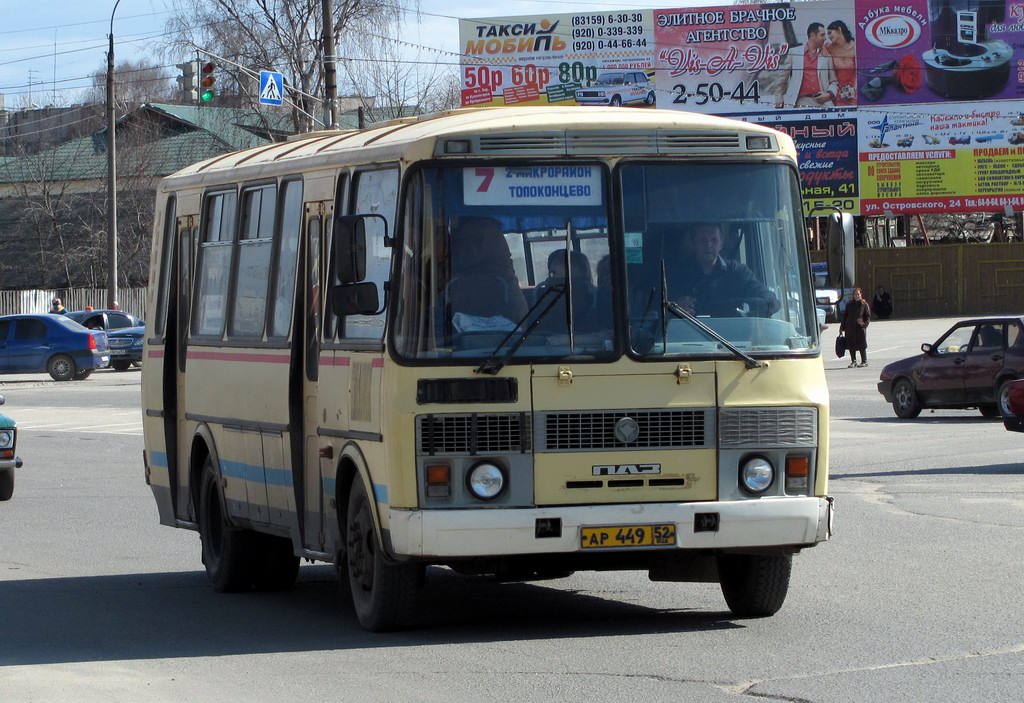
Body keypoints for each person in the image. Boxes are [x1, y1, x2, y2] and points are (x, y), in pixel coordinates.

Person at [669, 223, 780, 317]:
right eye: (703, 240)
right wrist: (673, 308)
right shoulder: (678, 276)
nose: (709, 245)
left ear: (721, 243)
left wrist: (770, 300)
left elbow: (759, 290)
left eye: (714, 240)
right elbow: (658, 311)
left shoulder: (738, 272)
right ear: (694, 243)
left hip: (733, 340)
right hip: (688, 339)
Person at [447, 216, 528, 331]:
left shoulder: (480, 229)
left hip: (497, 304)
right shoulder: (482, 229)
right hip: (495, 301)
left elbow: (456, 261)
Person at [775, 22, 838, 109]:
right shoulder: (794, 53)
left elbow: (834, 81)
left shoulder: (826, 56)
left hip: (823, 101)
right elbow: (782, 79)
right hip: (800, 101)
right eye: (822, 35)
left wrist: (829, 94)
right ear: (812, 35)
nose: (825, 38)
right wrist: (779, 98)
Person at [824, 20, 857, 106]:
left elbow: (859, 73)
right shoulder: (828, 48)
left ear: (839, 30)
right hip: (835, 93)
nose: (828, 36)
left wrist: (854, 89)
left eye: (830, 33)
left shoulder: (856, 49)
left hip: (853, 93)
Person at [840, 287, 871, 367]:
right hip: (850, 328)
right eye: (855, 294)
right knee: (851, 345)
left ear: (861, 295)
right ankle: (853, 361)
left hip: (860, 328)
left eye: (858, 294)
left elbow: (867, 316)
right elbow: (845, 316)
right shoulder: (849, 304)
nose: (857, 296)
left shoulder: (864, 304)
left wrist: (864, 325)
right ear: (853, 295)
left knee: (862, 344)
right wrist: (842, 327)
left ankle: (864, 361)